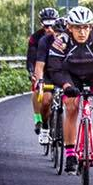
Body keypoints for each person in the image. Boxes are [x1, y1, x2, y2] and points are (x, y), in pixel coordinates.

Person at [46, 6, 93, 173]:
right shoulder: (61, 41)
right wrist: (66, 86)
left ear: (90, 27)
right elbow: (54, 69)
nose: (82, 32)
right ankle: (70, 154)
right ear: (69, 27)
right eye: (77, 27)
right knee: (71, 106)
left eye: (86, 27)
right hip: (71, 76)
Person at [27, 7, 59, 138]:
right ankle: (38, 119)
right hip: (40, 66)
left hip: (56, 69)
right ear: (42, 24)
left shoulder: (62, 34)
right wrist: (32, 73)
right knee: (37, 89)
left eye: (52, 25)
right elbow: (31, 58)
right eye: (46, 26)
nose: (50, 29)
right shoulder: (36, 38)